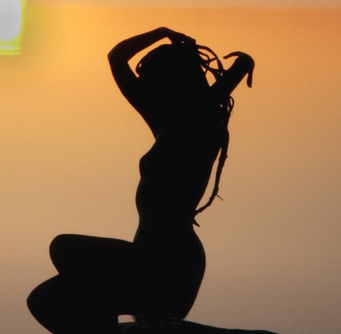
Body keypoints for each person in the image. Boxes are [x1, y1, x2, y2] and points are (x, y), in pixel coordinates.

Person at [27, 27, 256, 333]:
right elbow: (116, 58)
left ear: (174, 81)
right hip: (145, 261)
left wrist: (241, 66)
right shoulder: (166, 121)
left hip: (170, 267)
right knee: (46, 298)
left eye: (154, 79)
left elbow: (213, 95)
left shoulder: (199, 124)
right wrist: (162, 32)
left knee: (63, 248)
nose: (146, 87)